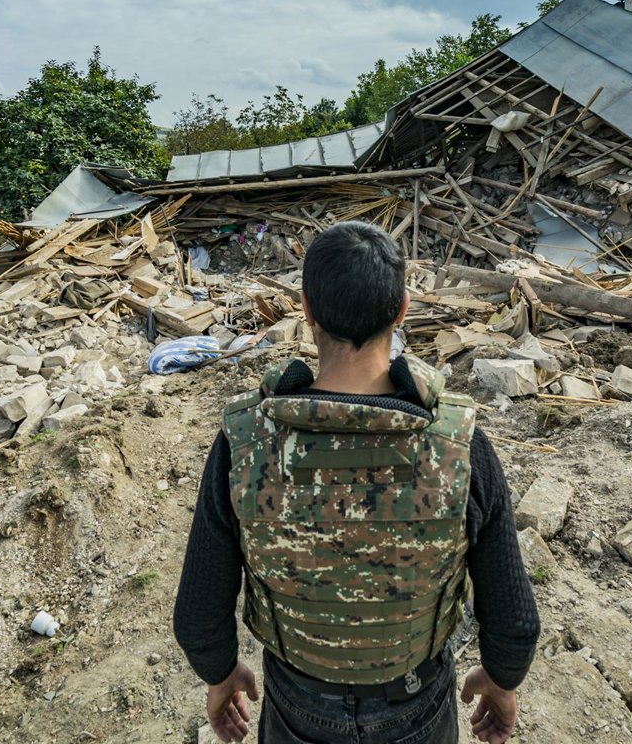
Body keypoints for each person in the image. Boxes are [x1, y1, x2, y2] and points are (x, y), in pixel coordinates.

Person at [173, 221, 540, 744]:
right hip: (414, 701)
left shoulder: (245, 441)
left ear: (307, 309)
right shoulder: (460, 443)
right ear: (402, 310)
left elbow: (198, 610)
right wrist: (503, 680)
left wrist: (220, 674)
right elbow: (512, 613)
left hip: (299, 703)